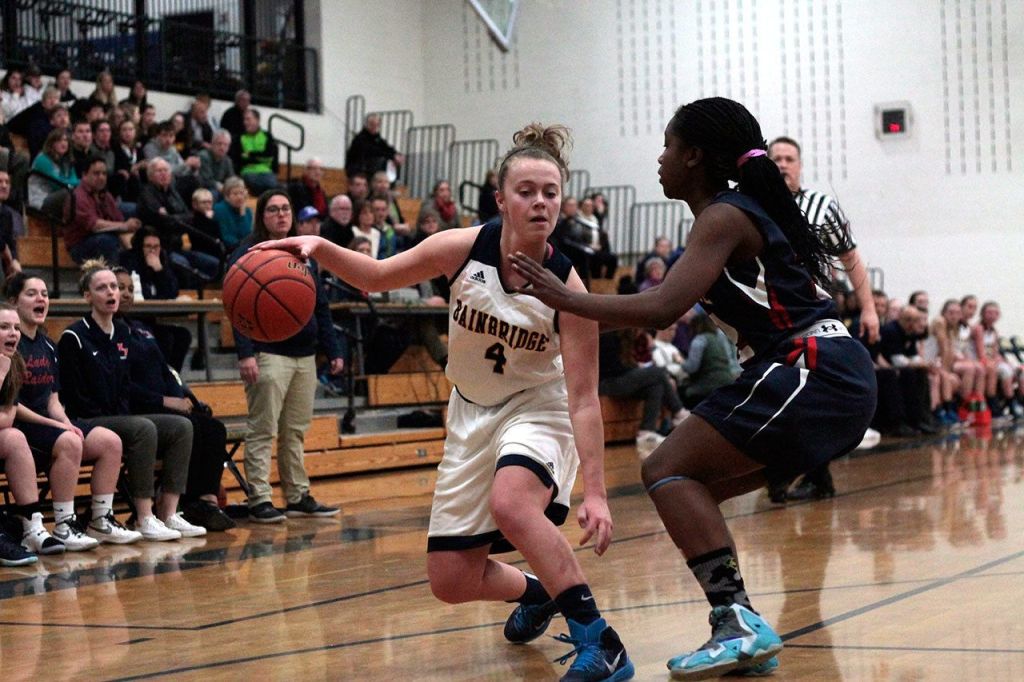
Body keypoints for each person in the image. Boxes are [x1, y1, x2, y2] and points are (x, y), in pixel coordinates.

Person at [509, 98, 877, 679]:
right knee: (689, 485)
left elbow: (662, 306)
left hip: (812, 367)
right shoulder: (731, 214)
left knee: (664, 470)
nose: (659, 159)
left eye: (667, 146)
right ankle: (742, 627)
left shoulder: (725, 216)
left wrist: (563, 299)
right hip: (820, 373)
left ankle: (735, 620)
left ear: (695, 156)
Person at [261, 123, 634, 681]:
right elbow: (379, 276)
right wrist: (319, 246)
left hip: (539, 407)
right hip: (470, 413)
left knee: (512, 503)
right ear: (501, 199)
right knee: (450, 581)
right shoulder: (462, 248)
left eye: (550, 192)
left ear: (562, 200)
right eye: (526, 191)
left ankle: (600, 642)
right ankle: (544, 590)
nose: (539, 202)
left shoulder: (568, 289)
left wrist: (598, 494)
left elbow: (583, 400)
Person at [766, 135, 881, 502]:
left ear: (800, 166)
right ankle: (808, 473)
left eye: (789, 158)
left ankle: (793, 472)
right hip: (765, 317)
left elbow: (851, 258)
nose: (783, 164)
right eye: (776, 158)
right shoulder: (752, 204)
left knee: (806, 393)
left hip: (810, 316)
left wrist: (869, 308)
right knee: (783, 394)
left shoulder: (821, 206)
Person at [57, 261, 202, 541]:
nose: (112, 293)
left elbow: (124, 384)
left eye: (114, 286)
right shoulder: (73, 337)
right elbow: (73, 397)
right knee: (142, 428)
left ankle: (168, 513)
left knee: (181, 426)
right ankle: (143, 516)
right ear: (87, 296)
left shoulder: (123, 333)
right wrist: (118, 417)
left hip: (119, 417)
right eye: (102, 288)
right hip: (87, 420)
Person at [228, 190, 344, 523]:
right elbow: (238, 308)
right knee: (263, 429)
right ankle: (260, 499)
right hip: (267, 353)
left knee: (295, 430)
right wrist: (245, 353)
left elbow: (320, 305)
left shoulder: (303, 250)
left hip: (304, 355)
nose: (281, 215)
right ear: (262, 216)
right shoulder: (249, 252)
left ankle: (296, 495)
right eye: (273, 210)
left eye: (286, 209)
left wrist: (332, 349)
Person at [6, 275, 140, 547]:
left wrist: (67, 422)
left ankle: (100, 520)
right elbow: (12, 404)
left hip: (47, 424)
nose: (41, 299)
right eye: (32, 294)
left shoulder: (48, 346)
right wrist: (59, 427)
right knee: (68, 441)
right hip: (21, 425)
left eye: (44, 293)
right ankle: (64, 524)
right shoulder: (10, 344)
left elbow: (54, 400)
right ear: (14, 302)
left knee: (109, 441)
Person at [113, 268, 235, 531]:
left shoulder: (141, 329)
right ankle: (179, 504)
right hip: (138, 410)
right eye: (118, 287)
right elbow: (120, 385)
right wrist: (164, 401)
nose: (124, 293)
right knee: (191, 427)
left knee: (213, 427)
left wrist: (182, 397)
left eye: (129, 289)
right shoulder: (108, 334)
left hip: (166, 405)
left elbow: (165, 370)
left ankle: (204, 501)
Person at [65, 155, 141, 264]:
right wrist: (124, 226)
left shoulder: (104, 194)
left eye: (104, 174)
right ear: (84, 175)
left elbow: (118, 217)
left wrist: (130, 226)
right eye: (96, 173)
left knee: (133, 210)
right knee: (107, 240)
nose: (101, 177)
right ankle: (112, 275)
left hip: (98, 235)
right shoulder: (78, 196)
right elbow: (94, 225)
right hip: (80, 244)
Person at [27, 128, 78, 216]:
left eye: (65, 140)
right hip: (41, 200)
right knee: (68, 193)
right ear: (51, 143)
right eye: (59, 140)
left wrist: (80, 184)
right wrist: (83, 182)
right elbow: (57, 184)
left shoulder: (67, 160)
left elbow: (74, 179)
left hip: (59, 196)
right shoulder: (42, 159)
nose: (63, 143)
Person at [232, 109, 279, 195]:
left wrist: (249, 154)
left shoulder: (267, 136)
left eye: (248, 119)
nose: (245, 122)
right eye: (244, 119)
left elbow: (269, 156)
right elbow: (239, 159)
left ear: (257, 120)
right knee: (255, 185)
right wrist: (260, 156)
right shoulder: (239, 137)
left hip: (266, 171)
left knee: (274, 186)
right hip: (247, 171)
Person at [345, 113, 404, 179]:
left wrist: (396, 154)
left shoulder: (377, 138)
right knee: (381, 159)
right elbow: (374, 151)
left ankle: (390, 182)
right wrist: (392, 156)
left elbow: (386, 147)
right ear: (366, 124)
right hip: (358, 169)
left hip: (369, 168)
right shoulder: (360, 138)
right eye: (372, 124)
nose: (374, 127)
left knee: (392, 160)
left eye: (377, 125)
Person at [212, 176, 252, 250]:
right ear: (227, 196)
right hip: (228, 250)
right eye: (235, 194)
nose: (239, 197)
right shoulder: (220, 209)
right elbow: (227, 238)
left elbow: (247, 235)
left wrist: (242, 214)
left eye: (241, 193)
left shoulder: (247, 211)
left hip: (244, 248)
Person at [0, 170, 24, 278]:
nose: (4, 186)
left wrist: (14, 260)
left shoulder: (6, 213)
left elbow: (11, 242)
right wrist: (7, 255)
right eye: (0, 182)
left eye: (7, 182)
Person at [197, 130, 234, 195]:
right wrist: (221, 187)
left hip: (221, 190)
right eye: (219, 143)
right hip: (204, 190)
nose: (222, 147)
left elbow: (231, 179)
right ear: (212, 144)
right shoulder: (203, 156)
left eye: (225, 145)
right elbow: (206, 181)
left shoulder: (228, 160)